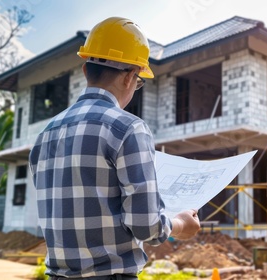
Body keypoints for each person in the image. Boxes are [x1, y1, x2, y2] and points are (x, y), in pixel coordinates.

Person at [29, 17, 200, 279]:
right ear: (132, 76)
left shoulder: (45, 135)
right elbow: (146, 226)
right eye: (139, 81)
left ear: (86, 70)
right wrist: (180, 225)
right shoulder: (128, 128)